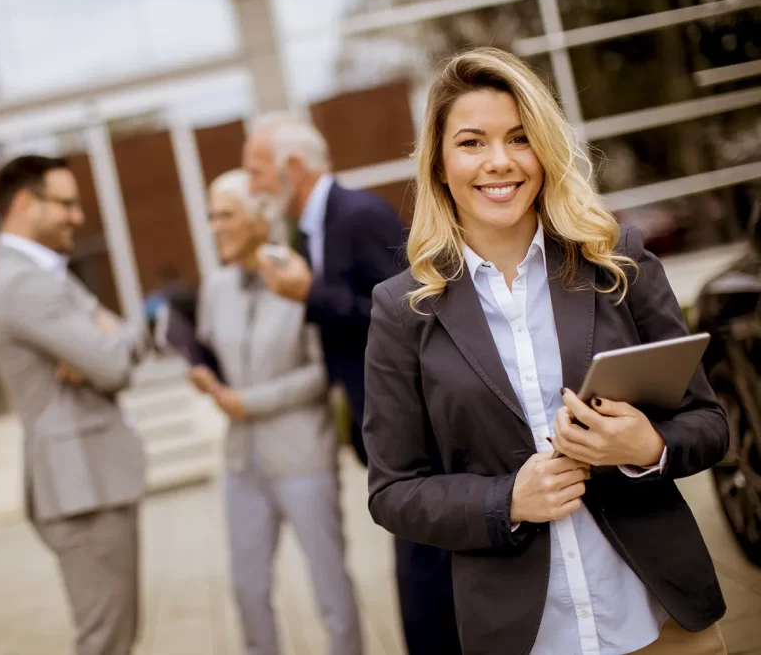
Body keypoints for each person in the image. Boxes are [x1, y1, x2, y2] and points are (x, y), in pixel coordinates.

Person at [363, 47, 729, 655]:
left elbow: (710, 423)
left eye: (520, 138)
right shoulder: (403, 310)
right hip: (524, 635)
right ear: (439, 161)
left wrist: (649, 446)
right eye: (472, 142)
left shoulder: (620, 263)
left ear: (545, 150)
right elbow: (393, 491)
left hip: (660, 620)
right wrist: (504, 501)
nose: (499, 162)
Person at [245, 114, 459, 654]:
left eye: (255, 171)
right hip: (384, 430)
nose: (253, 187)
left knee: (423, 581)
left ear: (292, 167)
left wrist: (308, 295)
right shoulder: (306, 232)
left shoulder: (359, 215)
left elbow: (416, 315)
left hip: (418, 431)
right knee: (421, 577)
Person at [190, 168, 363, 655]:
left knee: (330, 589)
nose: (215, 226)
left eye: (225, 214)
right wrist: (205, 376)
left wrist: (252, 401)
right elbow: (213, 355)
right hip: (242, 462)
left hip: (303, 457)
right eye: (211, 216)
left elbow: (321, 373)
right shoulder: (215, 288)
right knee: (248, 590)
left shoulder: (300, 276)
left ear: (260, 218)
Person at [0, 155, 147, 655]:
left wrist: (104, 346)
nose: (78, 216)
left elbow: (121, 340)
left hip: (90, 484)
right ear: (27, 204)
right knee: (105, 640)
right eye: (67, 204)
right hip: (82, 490)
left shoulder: (45, 271)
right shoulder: (25, 283)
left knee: (117, 635)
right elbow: (115, 364)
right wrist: (102, 346)